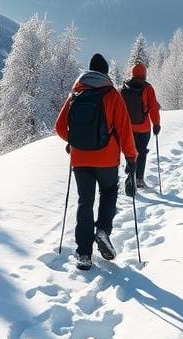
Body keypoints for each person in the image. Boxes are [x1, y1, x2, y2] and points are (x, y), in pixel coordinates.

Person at [55, 53, 138, 270]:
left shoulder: (76, 92)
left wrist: (75, 141)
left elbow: (60, 127)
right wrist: (131, 157)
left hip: (80, 159)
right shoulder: (111, 94)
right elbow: (124, 129)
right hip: (107, 159)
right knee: (109, 192)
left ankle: (84, 254)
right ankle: (102, 231)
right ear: (105, 72)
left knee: (85, 201)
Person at [121, 63, 162, 189]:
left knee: (130, 150)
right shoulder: (147, 88)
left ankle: (130, 171)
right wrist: (156, 124)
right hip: (143, 128)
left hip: (128, 128)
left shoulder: (124, 87)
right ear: (144, 73)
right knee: (142, 151)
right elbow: (153, 108)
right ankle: (139, 179)